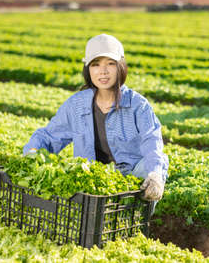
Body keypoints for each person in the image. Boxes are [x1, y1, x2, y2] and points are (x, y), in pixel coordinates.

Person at [23, 34, 168, 202]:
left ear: (120, 66)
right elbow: (49, 136)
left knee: (157, 164)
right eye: (96, 64)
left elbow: (151, 141)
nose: (103, 71)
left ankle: (140, 212)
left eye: (110, 64)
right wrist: (32, 152)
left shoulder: (138, 105)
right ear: (88, 69)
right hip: (92, 181)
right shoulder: (76, 105)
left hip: (132, 179)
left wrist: (155, 174)